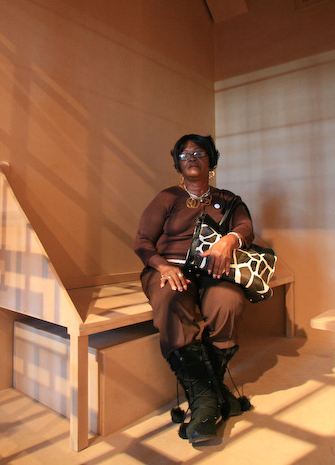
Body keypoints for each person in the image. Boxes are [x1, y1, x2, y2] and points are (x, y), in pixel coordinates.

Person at [134, 133, 253, 445]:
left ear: (211, 161)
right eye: (185, 154)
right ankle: (207, 401)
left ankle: (207, 394)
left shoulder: (228, 199)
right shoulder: (167, 197)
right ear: (178, 163)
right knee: (170, 298)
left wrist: (230, 240)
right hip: (170, 268)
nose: (191, 158)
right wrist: (163, 267)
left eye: (199, 152)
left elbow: (246, 228)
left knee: (228, 302)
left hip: (214, 270)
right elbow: (142, 242)